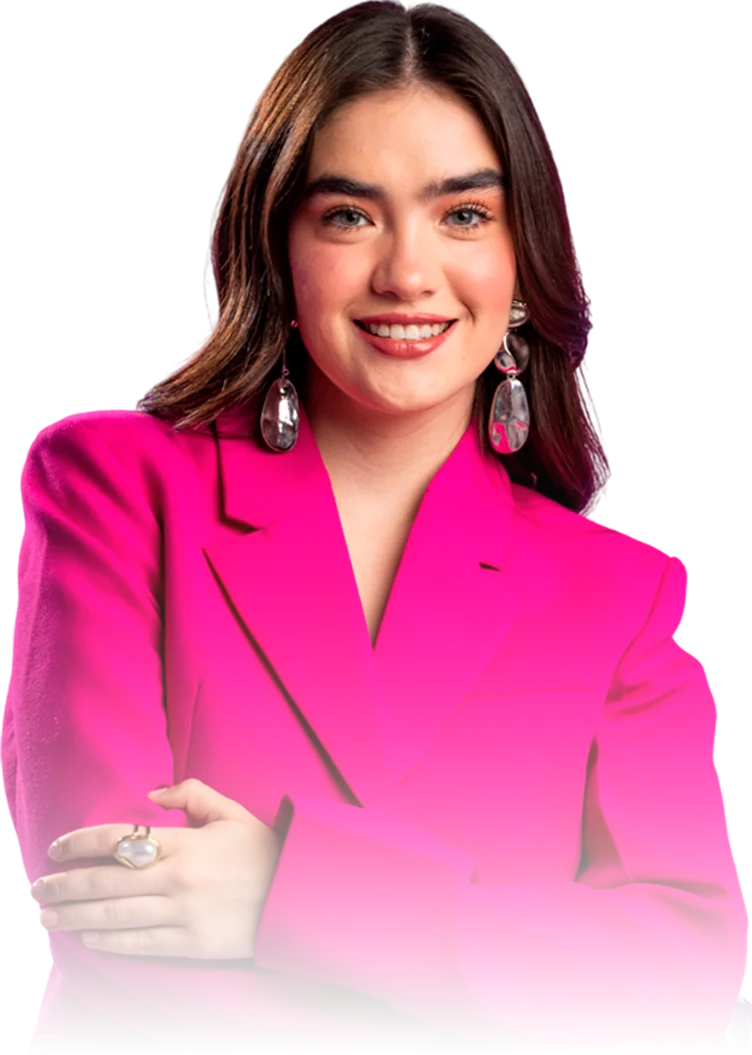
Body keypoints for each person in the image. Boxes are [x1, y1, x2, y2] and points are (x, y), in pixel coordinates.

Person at [2, 1, 748, 1052]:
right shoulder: (117, 484)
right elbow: (101, 905)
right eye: (348, 215)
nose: (405, 273)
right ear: (280, 251)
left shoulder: (615, 589)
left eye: (462, 215)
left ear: (521, 263)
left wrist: (289, 894)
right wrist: (502, 1011)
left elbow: (674, 975)